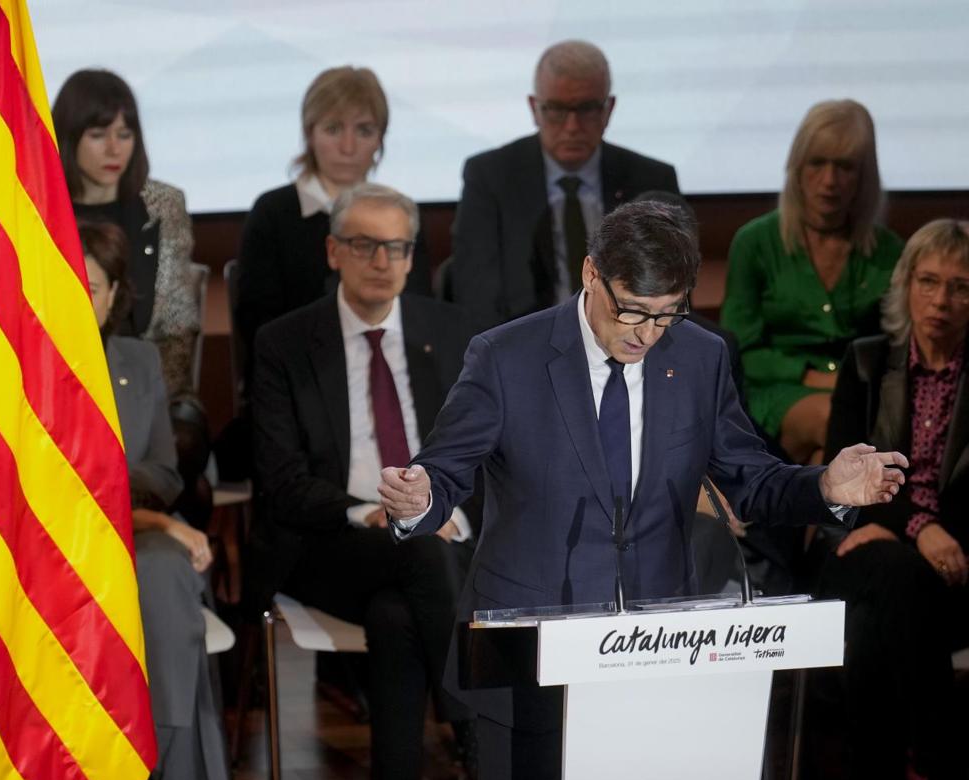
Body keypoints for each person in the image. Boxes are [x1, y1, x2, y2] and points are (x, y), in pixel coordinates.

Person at [378, 200, 909, 780]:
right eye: (630, 309)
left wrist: (824, 484)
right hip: (528, 652)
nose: (645, 333)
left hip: (653, 653)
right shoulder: (504, 357)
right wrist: (418, 500)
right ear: (591, 274)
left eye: (666, 315)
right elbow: (445, 471)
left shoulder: (701, 357)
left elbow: (752, 479)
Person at [251, 184, 475, 780]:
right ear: (333, 252)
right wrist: (365, 512)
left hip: (436, 539)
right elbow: (281, 480)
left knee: (399, 608)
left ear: (412, 258)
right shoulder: (285, 344)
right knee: (421, 554)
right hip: (330, 542)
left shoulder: (454, 333)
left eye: (396, 247)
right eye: (363, 245)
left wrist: (448, 513)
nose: (381, 260)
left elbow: (490, 454)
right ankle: (475, 735)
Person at [815, 219, 969, 780]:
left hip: (956, 562)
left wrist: (924, 533)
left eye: (960, 287)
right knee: (898, 581)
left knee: (885, 622)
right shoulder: (866, 361)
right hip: (862, 545)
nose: (940, 301)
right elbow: (840, 478)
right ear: (905, 286)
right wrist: (918, 528)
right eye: (927, 283)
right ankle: (941, 776)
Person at [76, 221, 229, 780]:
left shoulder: (136, 360)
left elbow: (165, 472)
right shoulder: (18, 364)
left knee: (169, 575)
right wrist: (151, 510)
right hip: (52, 549)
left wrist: (115, 491)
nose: (77, 298)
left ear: (114, 295)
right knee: (163, 577)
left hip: (130, 532)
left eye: (89, 286)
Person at [449, 40, 679, 329]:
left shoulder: (651, 181)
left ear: (608, 109)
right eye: (556, 109)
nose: (572, 126)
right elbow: (476, 295)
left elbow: (670, 295)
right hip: (526, 345)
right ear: (535, 109)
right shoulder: (491, 177)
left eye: (586, 109)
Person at [721, 100, 903, 465]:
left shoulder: (889, 252)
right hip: (773, 390)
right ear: (797, 167)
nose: (829, 181)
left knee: (827, 455)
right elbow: (740, 349)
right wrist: (822, 380)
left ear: (865, 176)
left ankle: (822, 523)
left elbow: (897, 347)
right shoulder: (755, 242)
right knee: (835, 420)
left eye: (845, 167)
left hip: (859, 395)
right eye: (817, 163)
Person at [235, 66, 432, 373]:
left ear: (380, 139)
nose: (348, 147)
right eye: (333, 129)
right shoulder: (273, 212)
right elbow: (257, 324)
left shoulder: (399, 215)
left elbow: (418, 315)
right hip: (298, 377)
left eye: (364, 131)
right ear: (309, 133)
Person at [51, 69, 200, 400]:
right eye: (98, 134)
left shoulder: (164, 206)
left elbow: (177, 329)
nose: (113, 149)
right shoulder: (37, 208)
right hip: (53, 385)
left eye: (124, 134)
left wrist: (142, 395)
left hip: (143, 383)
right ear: (68, 136)